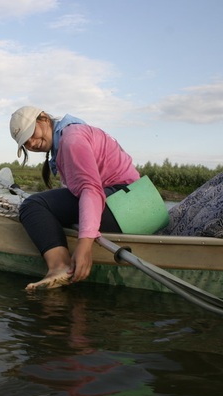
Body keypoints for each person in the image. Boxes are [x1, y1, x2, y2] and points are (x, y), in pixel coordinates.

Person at [9, 106, 150, 291]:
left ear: (43, 119)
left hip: (126, 207)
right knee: (46, 207)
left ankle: (60, 267)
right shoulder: (70, 134)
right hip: (140, 205)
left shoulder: (72, 140)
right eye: (25, 142)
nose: (32, 143)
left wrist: (84, 245)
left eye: (31, 133)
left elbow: (90, 189)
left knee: (33, 205)